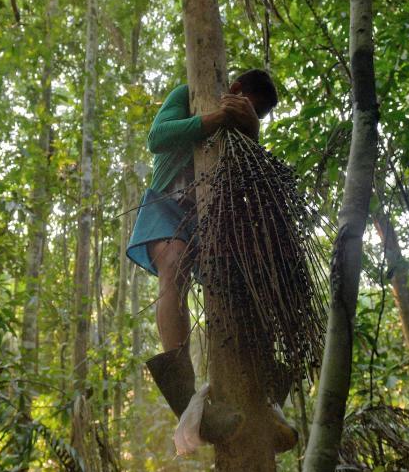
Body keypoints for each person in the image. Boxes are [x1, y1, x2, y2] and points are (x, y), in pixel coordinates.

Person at [126, 69, 297, 452]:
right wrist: (217, 117)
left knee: (256, 286)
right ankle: (188, 402)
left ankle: (265, 398)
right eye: (249, 109)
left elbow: (253, 183)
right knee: (172, 267)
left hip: (214, 223)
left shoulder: (245, 130)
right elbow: (158, 138)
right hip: (168, 206)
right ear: (235, 90)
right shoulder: (187, 94)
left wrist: (252, 133)